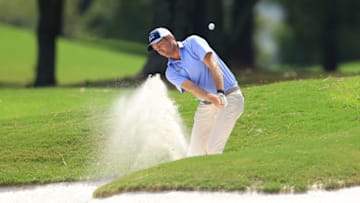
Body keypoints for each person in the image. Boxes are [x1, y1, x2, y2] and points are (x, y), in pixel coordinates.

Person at [147, 27, 244, 156]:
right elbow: (192, 88)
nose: (159, 49)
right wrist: (213, 98)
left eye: (160, 44)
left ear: (170, 38)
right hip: (207, 104)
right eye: (155, 48)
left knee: (213, 148)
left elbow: (212, 64)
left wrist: (220, 92)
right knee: (194, 154)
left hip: (230, 96)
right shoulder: (170, 71)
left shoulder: (193, 43)